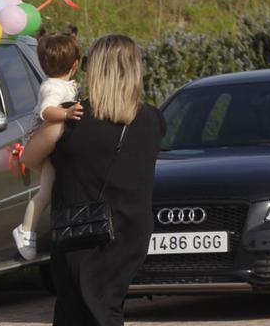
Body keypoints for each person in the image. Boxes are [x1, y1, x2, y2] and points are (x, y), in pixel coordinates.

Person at [25, 34, 165, 326]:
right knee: (103, 305)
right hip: (132, 233)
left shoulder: (71, 122)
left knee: (84, 311)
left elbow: (28, 158)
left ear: (96, 71)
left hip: (81, 231)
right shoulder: (154, 120)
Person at [14, 34, 84, 260]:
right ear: (75, 63)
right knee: (45, 192)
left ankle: (39, 229)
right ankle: (25, 230)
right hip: (42, 141)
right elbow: (46, 110)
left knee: (51, 190)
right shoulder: (53, 87)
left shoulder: (64, 85)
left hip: (55, 146)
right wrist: (66, 113)